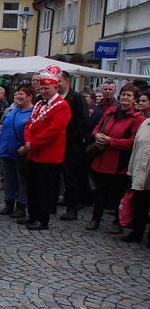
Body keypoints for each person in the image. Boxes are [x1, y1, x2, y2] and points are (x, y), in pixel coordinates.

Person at [86, 83, 144, 233]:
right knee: (100, 192)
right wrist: (97, 135)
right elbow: (98, 127)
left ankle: (118, 222)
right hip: (102, 158)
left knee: (118, 194)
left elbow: (133, 141)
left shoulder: (137, 118)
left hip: (119, 162)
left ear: (134, 100)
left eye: (129, 95)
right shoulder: (110, 112)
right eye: (124, 94)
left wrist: (111, 141)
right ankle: (95, 219)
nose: (125, 97)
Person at [20, 64, 71, 231]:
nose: (43, 91)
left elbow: (54, 131)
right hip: (34, 153)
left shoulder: (61, 105)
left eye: (46, 88)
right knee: (33, 186)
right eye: (41, 88)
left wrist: (32, 144)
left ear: (55, 87)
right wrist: (28, 142)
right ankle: (33, 215)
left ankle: (43, 219)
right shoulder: (40, 103)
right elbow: (29, 124)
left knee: (44, 189)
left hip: (48, 155)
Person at [0, 85, 34, 220]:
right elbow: (4, 129)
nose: (18, 96)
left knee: (22, 180)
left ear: (30, 97)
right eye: (17, 94)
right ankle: (9, 203)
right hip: (6, 150)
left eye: (22, 94)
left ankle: (21, 205)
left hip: (21, 153)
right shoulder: (12, 111)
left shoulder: (33, 113)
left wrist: (26, 147)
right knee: (8, 179)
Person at [57, 71, 88, 220]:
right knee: (55, 176)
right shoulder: (54, 98)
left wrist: (70, 138)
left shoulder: (77, 98)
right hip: (56, 145)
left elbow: (83, 122)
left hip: (71, 144)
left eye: (59, 81)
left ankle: (72, 208)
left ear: (67, 81)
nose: (56, 84)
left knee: (70, 177)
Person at [125, 92, 150, 244]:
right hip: (141, 170)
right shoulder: (145, 123)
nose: (139, 103)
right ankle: (137, 232)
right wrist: (131, 171)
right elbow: (136, 148)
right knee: (140, 204)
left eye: (143, 100)